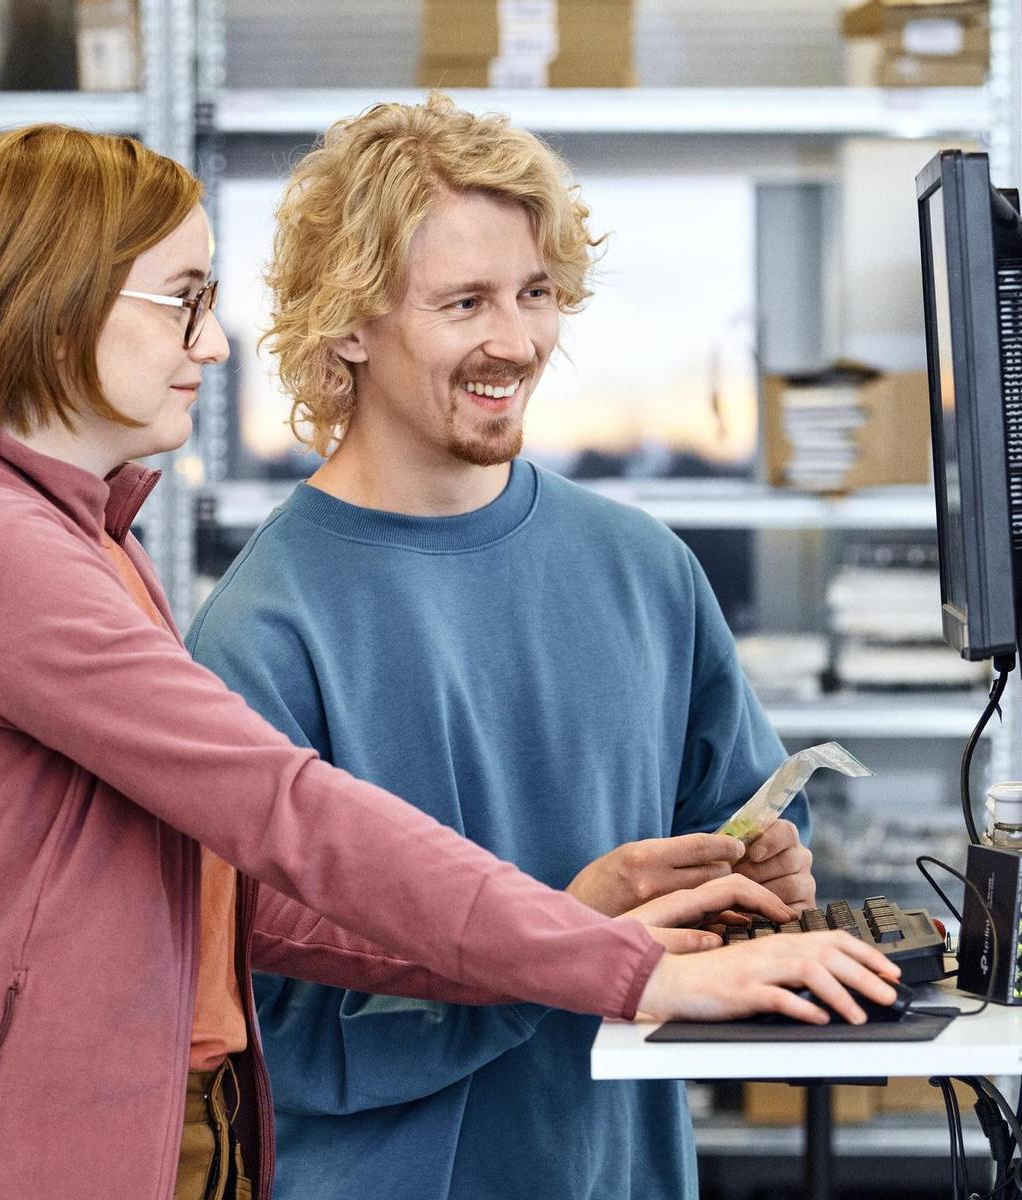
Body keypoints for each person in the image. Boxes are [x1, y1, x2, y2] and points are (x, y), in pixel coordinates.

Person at [0, 122, 900, 1200]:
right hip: (8, 1158)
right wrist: (629, 967)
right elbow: (285, 812)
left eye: (534, 294)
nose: (211, 346)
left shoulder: (88, 542)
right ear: (50, 303)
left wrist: (579, 924)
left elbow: (242, 894)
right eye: (183, 301)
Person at [187, 95, 842, 1200]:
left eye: (534, 293)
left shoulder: (641, 568)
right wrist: (559, 940)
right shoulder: (262, 633)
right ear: (349, 322)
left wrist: (760, 871)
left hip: (616, 1166)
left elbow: (741, 812)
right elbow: (264, 1010)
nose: (516, 342)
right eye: (464, 302)